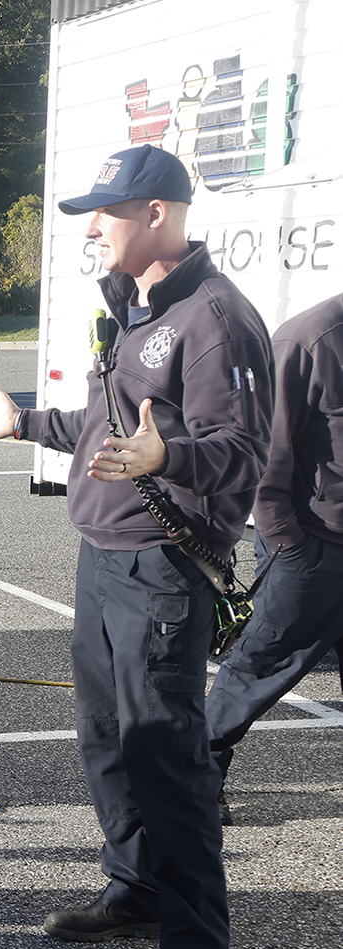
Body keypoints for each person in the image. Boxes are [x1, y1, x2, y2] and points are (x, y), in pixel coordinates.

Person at [0, 144, 272, 949]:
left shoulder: (213, 320)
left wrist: (176, 456)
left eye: (107, 211)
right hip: (104, 554)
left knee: (168, 756)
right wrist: (23, 426)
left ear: (157, 214)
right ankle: (137, 890)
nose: (93, 226)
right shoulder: (136, 307)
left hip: (163, 571)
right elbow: (108, 422)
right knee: (107, 739)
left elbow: (246, 449)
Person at [206, 291, 343, 812]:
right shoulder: (313, 337)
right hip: (312, 547)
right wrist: (286, 540)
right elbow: (266, 447)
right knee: (257, 669)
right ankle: (199, 777)